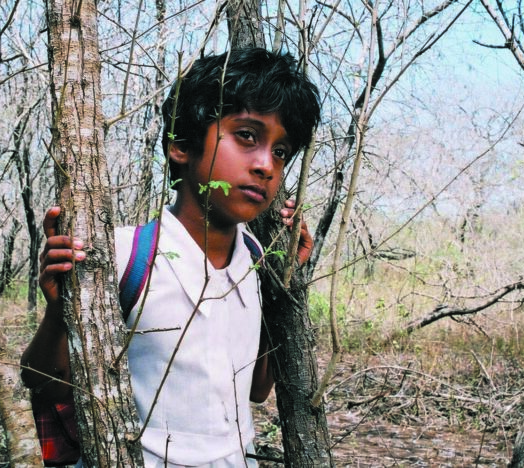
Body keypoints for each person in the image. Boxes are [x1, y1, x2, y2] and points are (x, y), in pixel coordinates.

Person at [21, 47, 321, 467]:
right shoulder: (123, 255)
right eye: (247, 136)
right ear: (181, 144)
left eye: (281, 151)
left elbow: (256, 390)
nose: (265, 165)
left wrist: (285, 281)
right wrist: (59, 311)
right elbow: (45, 383)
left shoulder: (255, 261)